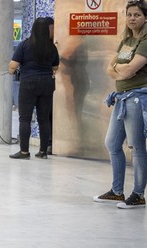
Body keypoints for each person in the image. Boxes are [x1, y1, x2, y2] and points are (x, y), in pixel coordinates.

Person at [94, 0, 147, 209]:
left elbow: (128, 70)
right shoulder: (126, 40)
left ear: (145, 17)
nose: (132, 18)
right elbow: (109, 68)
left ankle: (138, 194)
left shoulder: (145, 40)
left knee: (136, 147)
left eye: (137, 15)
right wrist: (119, 69)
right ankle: (117, 191)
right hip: (121, 96)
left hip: (136, 97)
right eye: (129, 15)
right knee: (112, 144)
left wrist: (118, 69)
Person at [8, 17, 59, 160]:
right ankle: (43, 151)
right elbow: (55, 67)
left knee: (25, 118)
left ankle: (24, 152)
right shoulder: (52, 47)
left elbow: (13, 66)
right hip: (47, 84)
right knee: (44, 119)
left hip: (28, 83)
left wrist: (12, 70)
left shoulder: (25, 45)